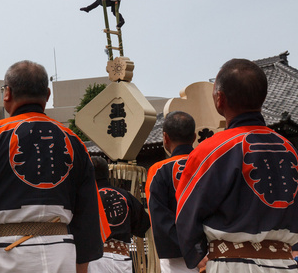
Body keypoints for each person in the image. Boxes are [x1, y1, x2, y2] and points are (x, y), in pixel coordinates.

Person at [0, 60, 106, 273]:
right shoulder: (74, 142)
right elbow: (88, 215)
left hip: (4, 255)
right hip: (62, 252)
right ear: (47, 95)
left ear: (7, 93)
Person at [176, 59, 298, 272]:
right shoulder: (290, 149)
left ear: (220, 99)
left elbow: (187, 212)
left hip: (232, 263)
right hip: (285, 263)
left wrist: (197, 254)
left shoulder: (210, 150)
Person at [145, 111, 201, 273]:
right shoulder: (209, 164)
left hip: (178, 258)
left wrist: (193, 251)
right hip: (214, 252)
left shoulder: (158, 170)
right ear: (194, 137)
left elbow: (160, 218)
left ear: (165, 137)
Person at [88, 156, 151, 273]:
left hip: (92, 258)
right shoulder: (126, 196)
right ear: (108, 173)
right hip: (120, 259)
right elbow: (143, 225)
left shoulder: (83, 198)